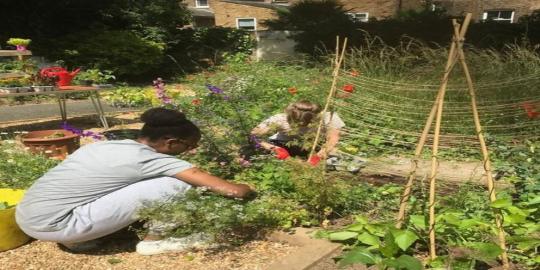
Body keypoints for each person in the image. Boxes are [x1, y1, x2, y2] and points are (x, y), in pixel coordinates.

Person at [15, 108, 255, 255]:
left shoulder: (105, 145)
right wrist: (250, 188)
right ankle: (153, 244)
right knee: (179, 184)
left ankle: (79, 239)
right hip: (57, 225)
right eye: (190, 146)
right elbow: (232, 191)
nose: (191, 151)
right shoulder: (155, 160)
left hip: (28, 217)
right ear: (170, 142)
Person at [250, 100, 345, 165]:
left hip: (315, 145)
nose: (301, 126)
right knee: (260, 154)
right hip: (284, 145)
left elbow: (333, 139)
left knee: (336, 154)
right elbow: (253, 135)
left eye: (307, 123)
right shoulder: (280, 119)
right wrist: (272, 148)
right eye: (297, 123)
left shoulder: (329, 117)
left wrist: (320, 155)